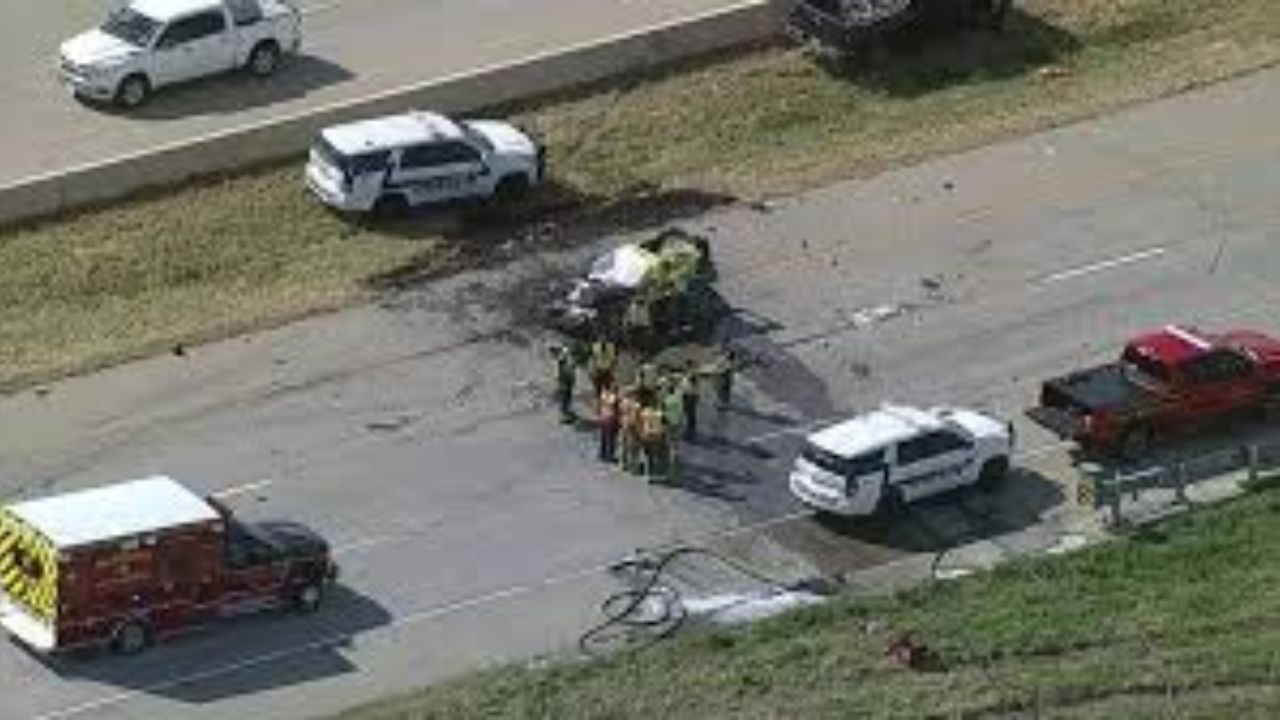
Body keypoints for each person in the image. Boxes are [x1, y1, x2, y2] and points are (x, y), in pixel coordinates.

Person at [661, 384, 686, 480]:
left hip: (668, 423)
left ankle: (669, 462)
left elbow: (663, 412)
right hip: (676, 423)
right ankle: (675, 459)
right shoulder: (678, 399)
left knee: (668, 442)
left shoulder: (666, 400)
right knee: (675, 443)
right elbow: (681, 411)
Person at [639, 404, 666, 480]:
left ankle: (647, 473)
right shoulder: (659, 414)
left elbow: (640, 422)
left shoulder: (644, 412)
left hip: (647, 435)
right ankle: (655, 472)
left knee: (647, 455)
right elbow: (663, 425)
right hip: (656, 436)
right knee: (655, 455)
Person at [619, 389, 642, 473]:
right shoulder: (636, 405)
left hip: (624, 423)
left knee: (624, 445)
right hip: (633, 425)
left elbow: (620, 411)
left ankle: (623, 464)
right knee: (634, 448)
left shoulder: (624, 402)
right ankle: (633, 467)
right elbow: (637, 417)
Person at [597, 383, 621, 463]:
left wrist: (599, 415)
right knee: (611, 439)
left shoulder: (603, 395)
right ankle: (610, 455)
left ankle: (602, 453)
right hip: (611, 419)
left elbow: (599, 405)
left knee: (604, 437)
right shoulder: (614, 398)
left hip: (603, 417)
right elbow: (617, 409)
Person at [552, 345, 576, 423]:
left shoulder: (566, 359)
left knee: (566, 397)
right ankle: (565, 414)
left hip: (567, 380)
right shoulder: (562, 359)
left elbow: (571, 370)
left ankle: (567, 414)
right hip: (565, 380)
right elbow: (558, 371)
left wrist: (571, 379)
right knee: (565, 397)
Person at [679, 361, 700, 441]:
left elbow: (692, 383)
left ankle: (690, 432)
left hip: (690, 396)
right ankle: (689, 431)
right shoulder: (688, 374)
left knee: (690, 414)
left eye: (686, 366)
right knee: (688, 414)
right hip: (687, 395)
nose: (684, 367)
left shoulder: (692, 374)